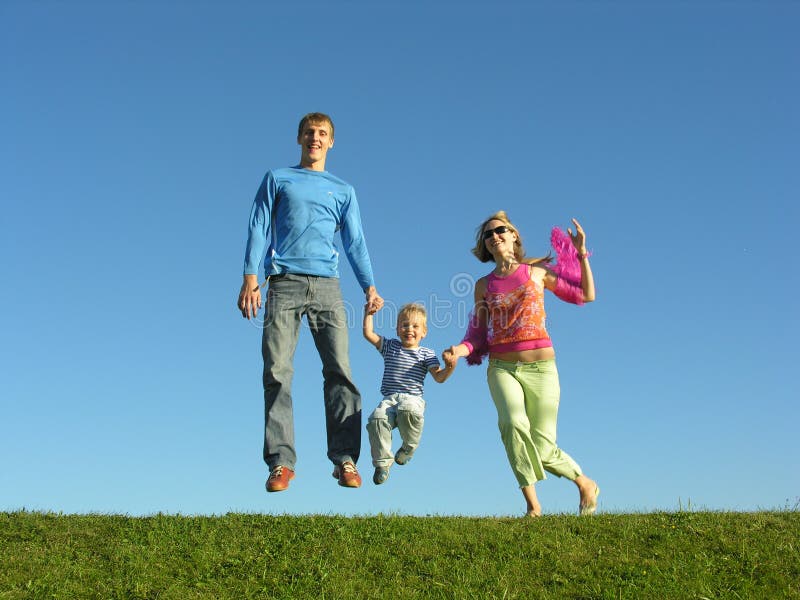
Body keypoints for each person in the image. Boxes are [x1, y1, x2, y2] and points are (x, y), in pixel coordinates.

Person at [237, 112, 383, 493]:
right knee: (277, 372)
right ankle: (281, 463)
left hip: (327, 287)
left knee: (341, 372)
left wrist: (369, 286)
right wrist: (251, 277)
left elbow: (355, 242)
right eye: (309, 133)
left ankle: (345, 459)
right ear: (299, 138)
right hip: (283, 283)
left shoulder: (343, 190)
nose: (315, 139)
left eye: (322, 134)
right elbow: (258, 224)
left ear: (331, 142)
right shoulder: (278, 179)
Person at [443, 211, 600, 517]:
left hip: (542, 369)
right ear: (485, 246)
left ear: (514, 235)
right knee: (512, 424)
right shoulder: (483, 286)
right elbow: (477, 333)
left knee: (542, 447)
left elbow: (587, 295)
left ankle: (584, 482)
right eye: (488, 234)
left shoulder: (537, 274)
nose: (494, 236)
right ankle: (533, 506)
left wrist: (581, 252)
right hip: (502, 367)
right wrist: (459, 352)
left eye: (500, 230)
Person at [362, 302, 454, 485]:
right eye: (404, 325)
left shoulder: (426, 354)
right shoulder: (390, 347)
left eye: (415, 326)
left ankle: (408, 448)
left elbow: (439, 377)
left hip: (412, 400)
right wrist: (369, 314)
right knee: (376, 418)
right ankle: (382, 463)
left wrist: (450, 366)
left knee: (407, 409)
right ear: (397, 330)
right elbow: (368, 334)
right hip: (389, 399)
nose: (409, 329)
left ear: (424, 332)